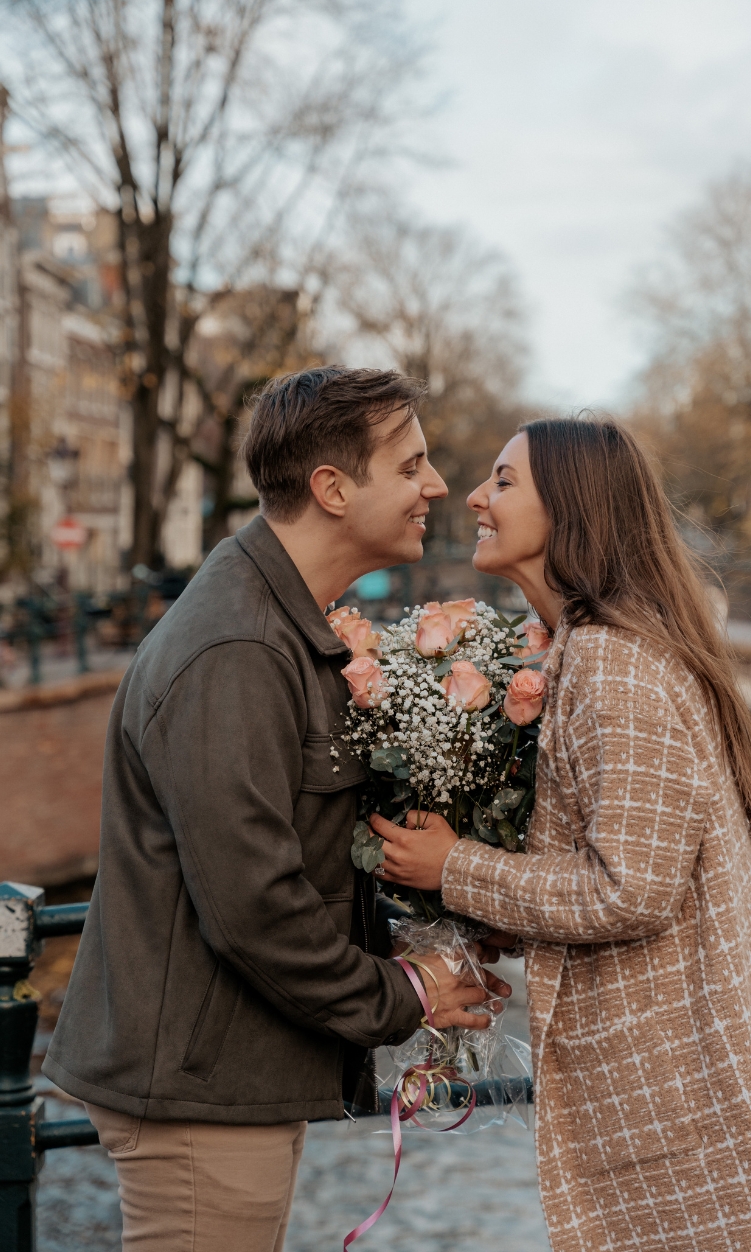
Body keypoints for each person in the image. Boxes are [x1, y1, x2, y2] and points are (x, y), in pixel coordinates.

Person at [44, 367, 509, 1252]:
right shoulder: (237, 648)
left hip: (218, 1073)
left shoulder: (269, 623)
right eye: (410, 467)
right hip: (197, 1088)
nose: (437, 487)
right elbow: (252, 901)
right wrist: (402, 991)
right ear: (332, 489)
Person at [370, 416, 751, 1252]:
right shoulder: (595, 647)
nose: (475, 497)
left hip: (683, 1075)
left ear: (573, 510)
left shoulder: (611, 663)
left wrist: (457, 866)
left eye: (504, 481)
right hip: (687, 1060)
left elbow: (633, 889)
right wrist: (502, 916)